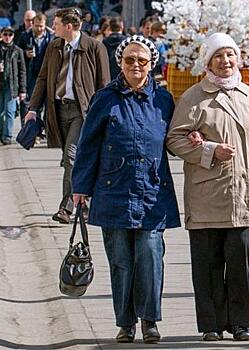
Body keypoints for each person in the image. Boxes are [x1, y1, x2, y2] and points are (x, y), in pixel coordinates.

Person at [72, 35, 180, 344]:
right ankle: (125, 322)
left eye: (141, 60)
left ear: (150, 65)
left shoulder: (163, 100)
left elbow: (176, 139)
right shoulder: (105, 98)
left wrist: (200, 143)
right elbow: (88, 145)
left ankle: (149, 320)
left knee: (150, 254)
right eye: (129, 59)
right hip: (113, 189)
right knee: (120, 260)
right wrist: (79, 187)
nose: (135, 65)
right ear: (120, 62)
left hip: (152, 191)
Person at [167, 32, 249, 342]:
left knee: (242, 261)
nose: (226, 62)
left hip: (246, 193)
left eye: (230, 55)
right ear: (208, 61)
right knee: (208, 263)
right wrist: (209, 150)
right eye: (219, 56)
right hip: (208, 194)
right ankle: (211, 324)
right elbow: (174, 139)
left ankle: (241, 322)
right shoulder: (195, 97)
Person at [25, 7, 110, 224]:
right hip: (58, 109)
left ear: (69, 26)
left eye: (57, 24)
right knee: (73, 160)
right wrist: (33, 109)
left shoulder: (94, 47)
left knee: (71, 157)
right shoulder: (54, 47)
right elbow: (43, 78)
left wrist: (105, 115)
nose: (54, 27)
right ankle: (84, 202)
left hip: (83, 111)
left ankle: (67, 207)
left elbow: (104, 84)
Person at [17, 13, 54, 126]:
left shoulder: (51, 37)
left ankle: (47, 130)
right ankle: (31, 131)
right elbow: (16, 53)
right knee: (32, 104)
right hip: (31, 74)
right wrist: (24, 54)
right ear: (32, 24)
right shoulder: (25, 36)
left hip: (47, 74)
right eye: (37, 26)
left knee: (48, 105)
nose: (39, 28)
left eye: (41, 26)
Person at [0, 25, 26, 145]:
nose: (7, 37)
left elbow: (22, 71)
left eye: (10, 35)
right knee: (0, 112)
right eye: (5, 34)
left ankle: (7, 135)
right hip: (1, 83)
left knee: (10, 111)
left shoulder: (17, 50)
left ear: (13, 36)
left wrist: (22, 90)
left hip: (11, 85)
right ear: (1, 35)